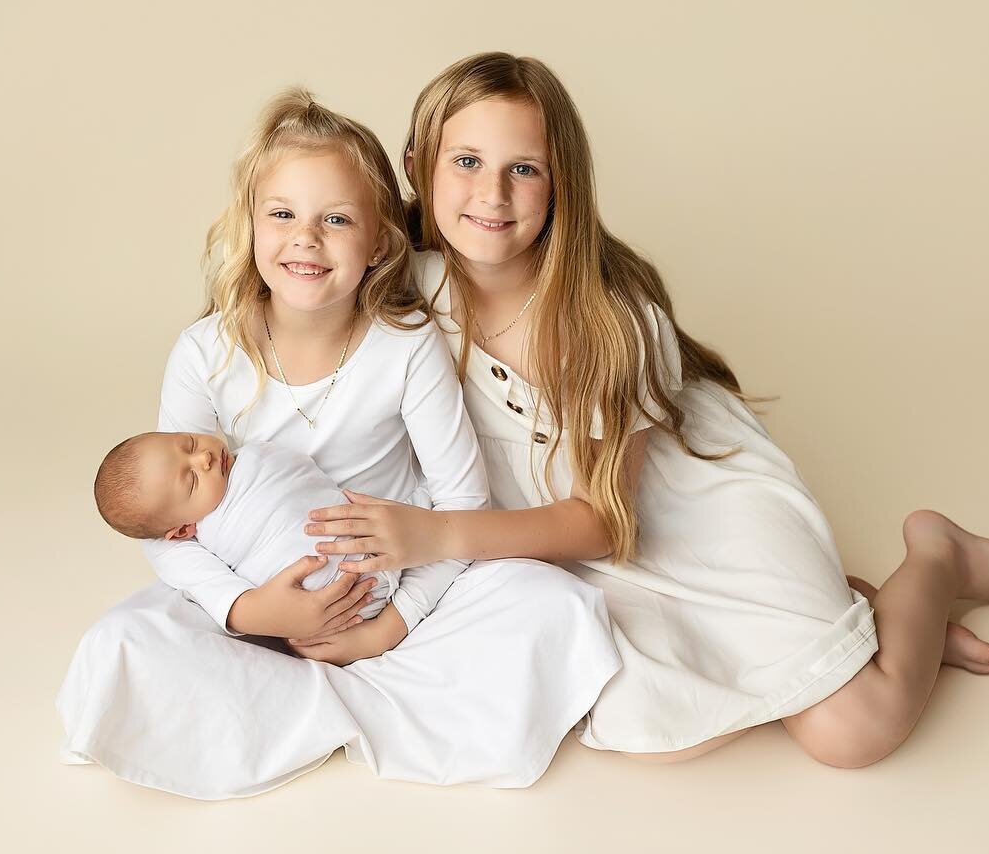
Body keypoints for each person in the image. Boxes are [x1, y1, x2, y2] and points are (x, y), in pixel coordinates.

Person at [304, 52, 989, 767]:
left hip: (670, 506)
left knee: (850, 728)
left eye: (522, 169)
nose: (491, 194)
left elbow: (603, 520)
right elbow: (285, 298)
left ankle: (936, 556)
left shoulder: (608, 316)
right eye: (465, 162)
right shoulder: (395, 281)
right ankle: (867, 620)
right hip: (547, 541)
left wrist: (435, 535)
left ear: (562, 182)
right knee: (658, 716)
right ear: (416, 166)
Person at [57, 87, 620, 799]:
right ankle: (297, 683)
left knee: (551, 603)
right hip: (257, 593)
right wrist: (250, 610)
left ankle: (343, 683)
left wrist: (389, 625)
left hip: (396, 582)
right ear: (251, 225)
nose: (306, 239)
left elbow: (459, 503)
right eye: (283, 215)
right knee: (123, 644)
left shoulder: (406, 348)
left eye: (337, 219)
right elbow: (167, 529)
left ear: (380, 241)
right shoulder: (206, 352)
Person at [94, 433, 401, 627]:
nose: (204, 458)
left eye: (189, 443)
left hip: (379, 544)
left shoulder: (253, 452)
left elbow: (304, 475)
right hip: (335, 602)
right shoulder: (205, 538)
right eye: (192, 480)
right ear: (183, 529)